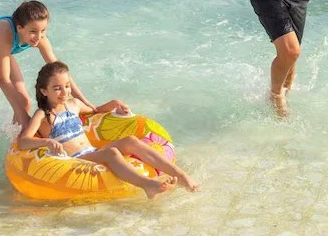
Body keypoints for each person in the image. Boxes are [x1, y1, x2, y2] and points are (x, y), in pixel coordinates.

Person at [18, 61, 200, 199]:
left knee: (131, 141)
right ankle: (148, 184)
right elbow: (24, 141)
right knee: (111, 152)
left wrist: (113, 105)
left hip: (93, 151)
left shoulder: (74, 104)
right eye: (57, 88)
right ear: (44, 91)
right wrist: (47, 141)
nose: (64, 92)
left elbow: (95, 111)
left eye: (66, 86)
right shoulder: (43, 115)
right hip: (75, 159)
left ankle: (180, 174)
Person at [0, 0, 89, 127]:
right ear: (20, 28)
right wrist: (26, 119)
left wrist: (85, 103)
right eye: (33, 31)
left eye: (43, 30)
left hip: (1, 53)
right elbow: (4, 79)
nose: (38, 37)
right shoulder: (5, 32)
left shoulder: (40, 37)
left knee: (25, 103)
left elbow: (60, 72)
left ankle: (16, 136)